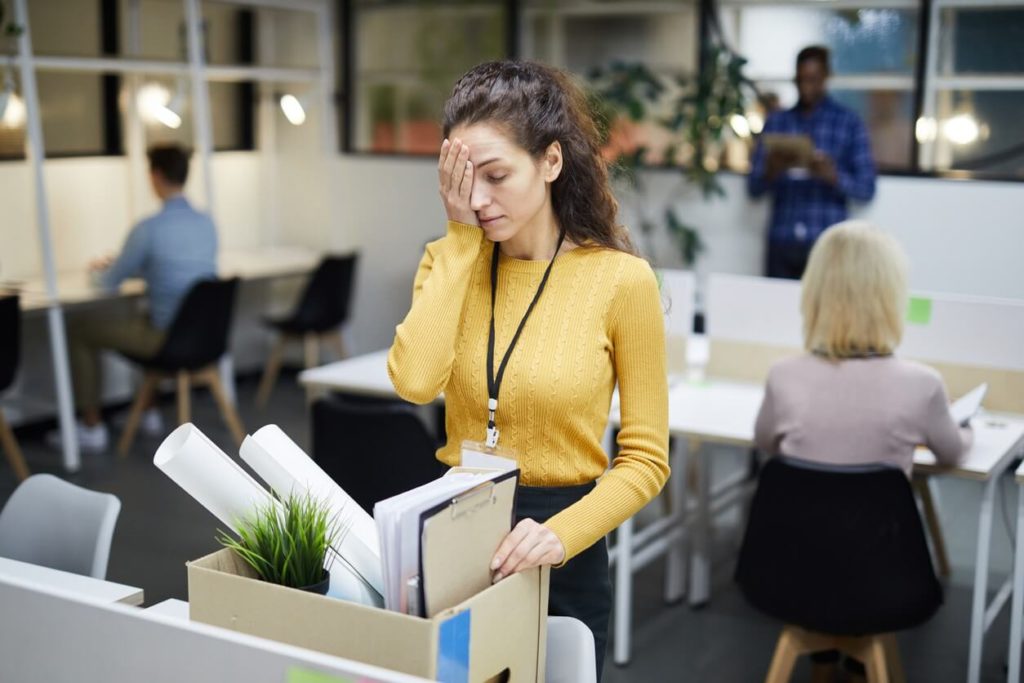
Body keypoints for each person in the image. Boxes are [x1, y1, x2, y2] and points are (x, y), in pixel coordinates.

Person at [387, 60, 670, 677]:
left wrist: (562, 535)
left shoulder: (620, 281)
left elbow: (647, 460)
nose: (480, 200)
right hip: (456, 528)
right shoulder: (449, 261)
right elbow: (414, 381)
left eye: (496, 175)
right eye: (464, 181)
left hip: (560, 540)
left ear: (550, 162)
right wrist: (461, 238)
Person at [753, 220, 971, 683]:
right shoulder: (922, 385)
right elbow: (952, 454)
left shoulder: (783, 377)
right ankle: (851, 663)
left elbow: (765, 444)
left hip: (791, 576)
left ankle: (827, 662)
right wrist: (967, 429)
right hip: (882, 583)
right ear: (889, 297)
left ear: (815, 294)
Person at [55, 144, 218, 452]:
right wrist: (143, 271)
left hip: (166, 338)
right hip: (203, 336)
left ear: (155, 176)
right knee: (140, 319)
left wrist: (98, 269)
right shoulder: (206, 223)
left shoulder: (149, 229)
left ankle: (91, 427)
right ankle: (148, 412)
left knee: (79, 329)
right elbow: (179, 271)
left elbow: (108, 283)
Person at [748, 46, 877, 279]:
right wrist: (772, 170)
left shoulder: (848, 122)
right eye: (801, 79)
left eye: (813, 79)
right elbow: (753, 188)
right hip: (783, 240)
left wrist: (832, 175)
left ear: (826, 77)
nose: (806, 86)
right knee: (776, 310)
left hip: (828, 243)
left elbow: (866, 188)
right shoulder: (777, 122)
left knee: (827, 313)